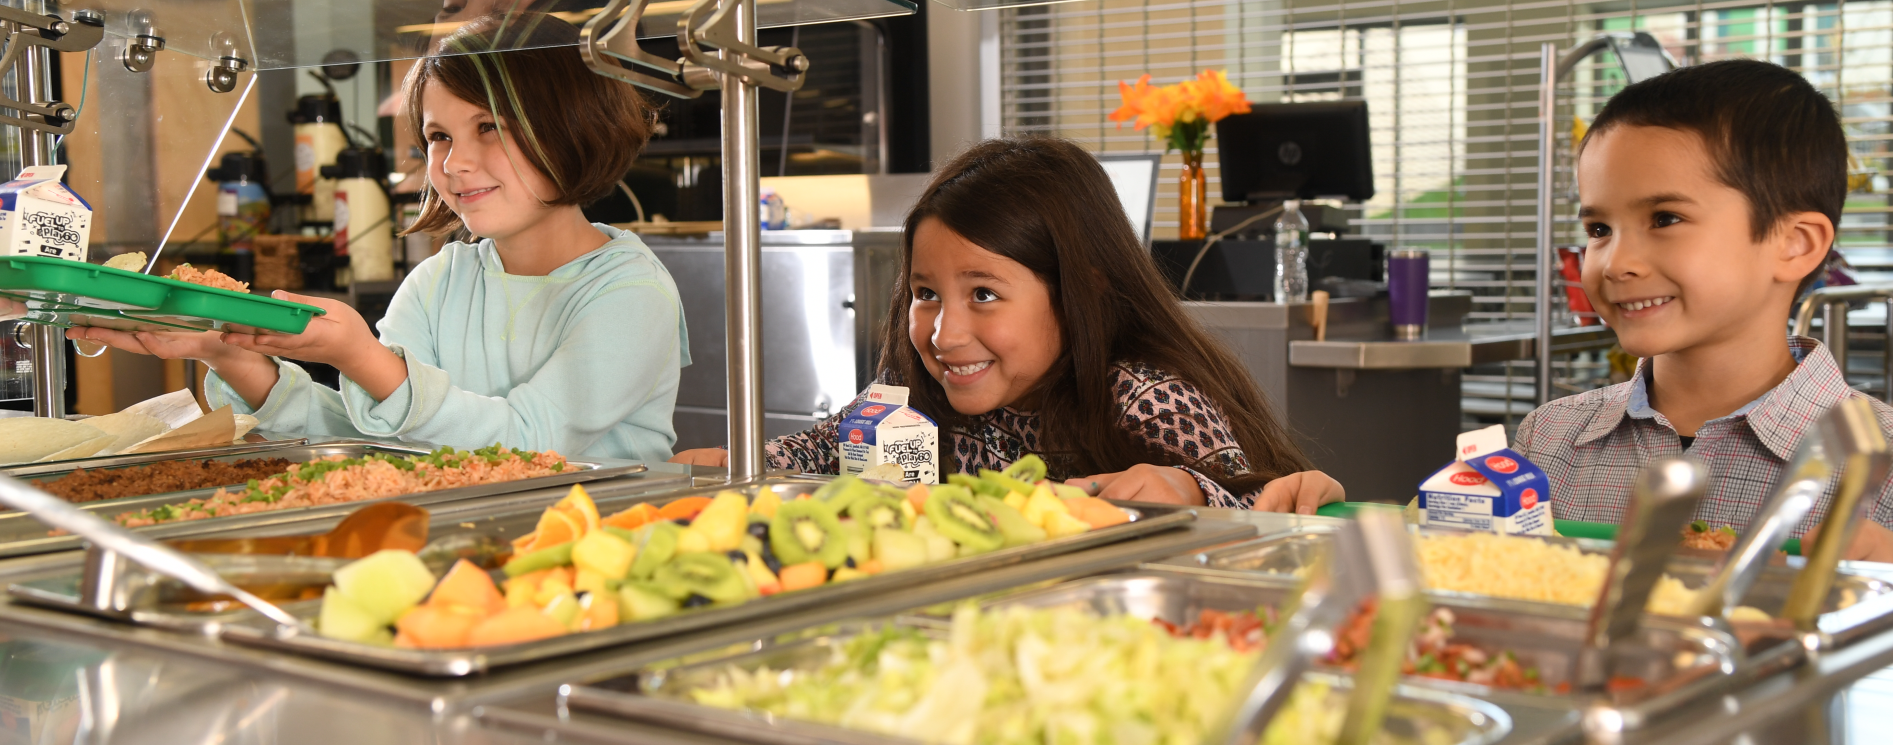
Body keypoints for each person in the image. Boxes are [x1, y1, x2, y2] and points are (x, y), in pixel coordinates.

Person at [70, 14, 690, 463]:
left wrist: (358, 355)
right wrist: (226, 353)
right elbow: (381, 436)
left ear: (576, 129)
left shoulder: (629, 292)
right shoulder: (439, 281)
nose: (454, 163)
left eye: (488, 127)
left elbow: (530, 443)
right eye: (439, 136)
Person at [673, 138, 1344, 512]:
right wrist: (742, 460)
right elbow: (827, 451)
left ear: (1084, 290)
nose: (944, 333)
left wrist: (1191, 490)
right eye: (926, 293)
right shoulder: (917, 395)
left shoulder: (1140, 397)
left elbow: (1260, 515)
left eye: (985, 294)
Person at [1515, 59, 1893, 560]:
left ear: (1795, 244)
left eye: (1665, 218)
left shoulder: (1878, 465)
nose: (1615, 264)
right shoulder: (1550, 439)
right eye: (1599, 230)